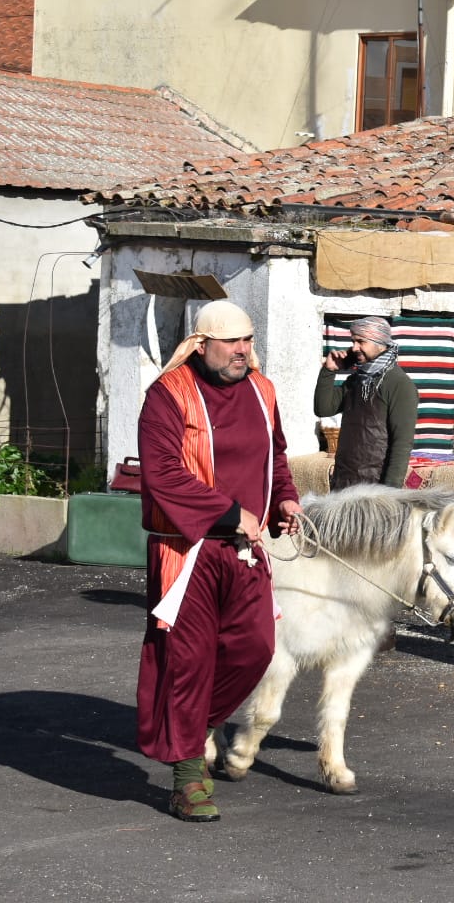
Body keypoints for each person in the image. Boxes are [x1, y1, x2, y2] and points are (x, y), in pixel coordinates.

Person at [136, 300, 302, 823]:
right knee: (188, 662)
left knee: (256, 647)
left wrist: (285, 500)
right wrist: (230, 511)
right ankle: (188, 778)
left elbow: (275, 454)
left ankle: (190, 726)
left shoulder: (262, 389)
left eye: (248, 340)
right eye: (231, 342)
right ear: (201, 344)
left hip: (247, 549)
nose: (242, 351)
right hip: (186, 551)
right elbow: (161, 472)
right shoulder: (167, 395)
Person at [315, 316, 418, 490]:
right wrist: (328, 370)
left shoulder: (399, 384)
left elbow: (401, 444)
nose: (354, 348)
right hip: (344, 483)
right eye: (353, 341)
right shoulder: (356, 380)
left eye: (361, 341)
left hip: (374, 488)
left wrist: (388, 493)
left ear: (379, 342)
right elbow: (323, 408)